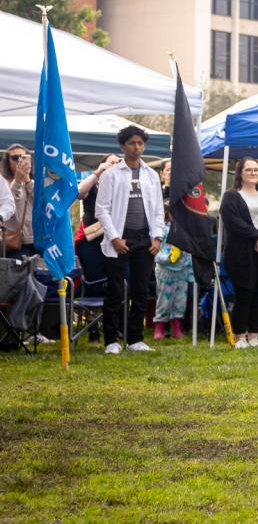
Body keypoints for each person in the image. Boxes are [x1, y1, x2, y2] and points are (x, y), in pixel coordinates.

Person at [96, 125, 165, 354]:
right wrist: (115, 237)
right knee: (115, 291)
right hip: (120, 238)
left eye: (140, 143)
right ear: (123, 146)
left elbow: (157, 210)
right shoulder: (111, 175)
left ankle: (135, 338)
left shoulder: (151, 175)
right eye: (132, 143)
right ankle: (112, 340)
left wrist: (157, 237)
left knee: (141, 290)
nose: (137, 147)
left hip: (144, 238)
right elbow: (101, 209)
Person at [219, 158, 258, 348]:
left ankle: (254, 335)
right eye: (249, 170)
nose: (253, 173)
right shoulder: (231, 197)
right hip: (241, 254)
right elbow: (233, 222)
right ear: (240, 173)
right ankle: (240, 336)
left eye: (256, 170)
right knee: (244, 293)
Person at [149, 159, 193, 341]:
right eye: (168, 170)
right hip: (164, 261)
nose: (172, 173)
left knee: (181, 298)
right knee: (163, 297)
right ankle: (159, 326)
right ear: (162, 173)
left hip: (182, 263)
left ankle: (177, 326)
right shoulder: (155, 194)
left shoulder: (187, 195)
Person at [1, 144, 32, 255]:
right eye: (15, 158)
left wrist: (27, 179)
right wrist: (17, 181)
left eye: (23, 157)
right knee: (18, 271)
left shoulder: (34, 181)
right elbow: (9, 203)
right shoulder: (3, 182)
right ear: (7, 161)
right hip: (15, 239)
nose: (20, 160)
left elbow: (41, 201)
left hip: (37, 238)